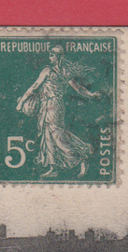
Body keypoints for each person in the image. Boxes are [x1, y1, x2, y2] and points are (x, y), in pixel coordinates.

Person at [16, 45, 103, 179]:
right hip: (46, 105)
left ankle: (81, 157)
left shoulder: (52, 71)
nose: (50, 56)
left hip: (54, 105)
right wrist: (91, 95)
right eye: (50, 54)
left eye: (52, 54)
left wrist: (21, 102)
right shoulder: (58, 71)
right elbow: (78, 88)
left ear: (58, 57)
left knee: (57, 135)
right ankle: (53, 168)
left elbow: (34, 87)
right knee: (47, 136)